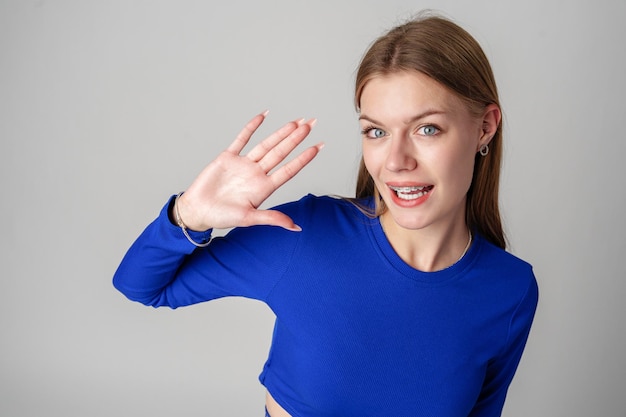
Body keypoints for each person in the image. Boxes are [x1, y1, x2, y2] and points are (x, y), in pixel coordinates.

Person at [113, 13, 538, 417]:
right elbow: (142, 285)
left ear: (485, 127)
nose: (396, 161)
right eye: (377, 131)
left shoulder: (511, 290)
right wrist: (188, 215)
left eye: (427, 129)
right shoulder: (305, 235)